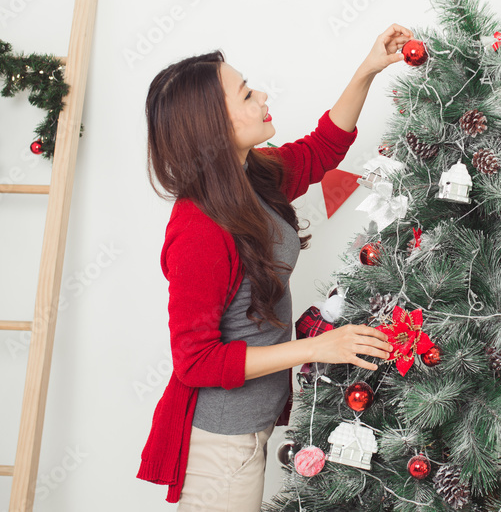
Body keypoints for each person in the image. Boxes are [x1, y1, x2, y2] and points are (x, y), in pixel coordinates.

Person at [137, 25, 412, 510]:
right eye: (246, 93)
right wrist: (318, 346)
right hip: (221, 439)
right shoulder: (198, 225)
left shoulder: (252, 175)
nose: (262, 95)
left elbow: (323, 149)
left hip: (255, 423)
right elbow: (195, 361)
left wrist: (369, 67)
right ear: (212, 126)